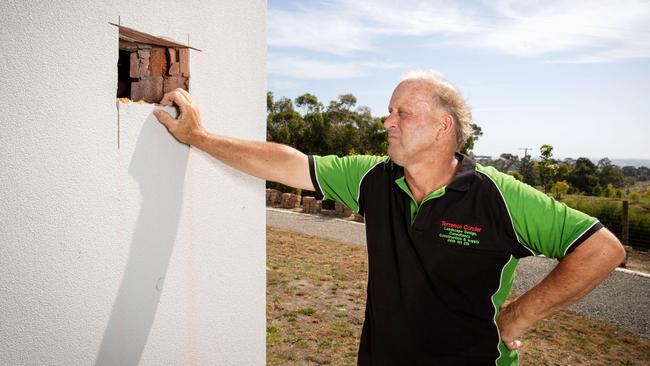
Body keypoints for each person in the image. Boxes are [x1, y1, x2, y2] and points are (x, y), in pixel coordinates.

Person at [153, 71, 625, 366]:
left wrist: (520, 317)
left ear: (444, 127)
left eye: (403, 112)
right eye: (389, 111)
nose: (388, 122)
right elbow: (288, 163)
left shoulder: (498, 196)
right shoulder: (373, 178)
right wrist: (200, 137)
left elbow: (602, 249)